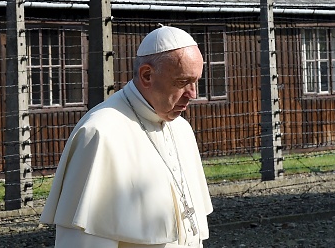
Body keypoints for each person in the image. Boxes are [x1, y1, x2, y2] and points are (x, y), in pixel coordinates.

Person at [40, 25, 213, 248]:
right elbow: (81, 242)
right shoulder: (100, 133)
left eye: (196, 81)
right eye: (182, 82)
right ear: (147, 75)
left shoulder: (181, 129)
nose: (193, 94)